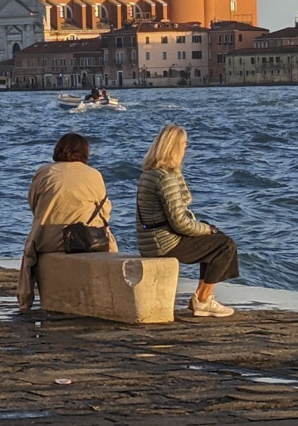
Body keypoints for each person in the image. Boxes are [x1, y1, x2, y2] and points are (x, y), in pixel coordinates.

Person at [135, 123, 241, 318]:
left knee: (214, 237)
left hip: (150, 241)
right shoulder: (165, 178)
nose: (186, 149)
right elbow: (180, 223)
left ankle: (202, 297)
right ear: (175, 148)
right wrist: (207, 230)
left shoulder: (149, 174)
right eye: (184, 145)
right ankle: (202, 299)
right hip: (165, 243)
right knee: (225, 244)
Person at [17, 133, 114, 312]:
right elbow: (105, 211)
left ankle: (25, 301)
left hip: (50, 239)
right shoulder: (94, 174)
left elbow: (34, 204)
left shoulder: (44, 172)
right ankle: (113, 295)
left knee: (31, 243)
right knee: (110, 239)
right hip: (89, 239)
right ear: (85, 152)